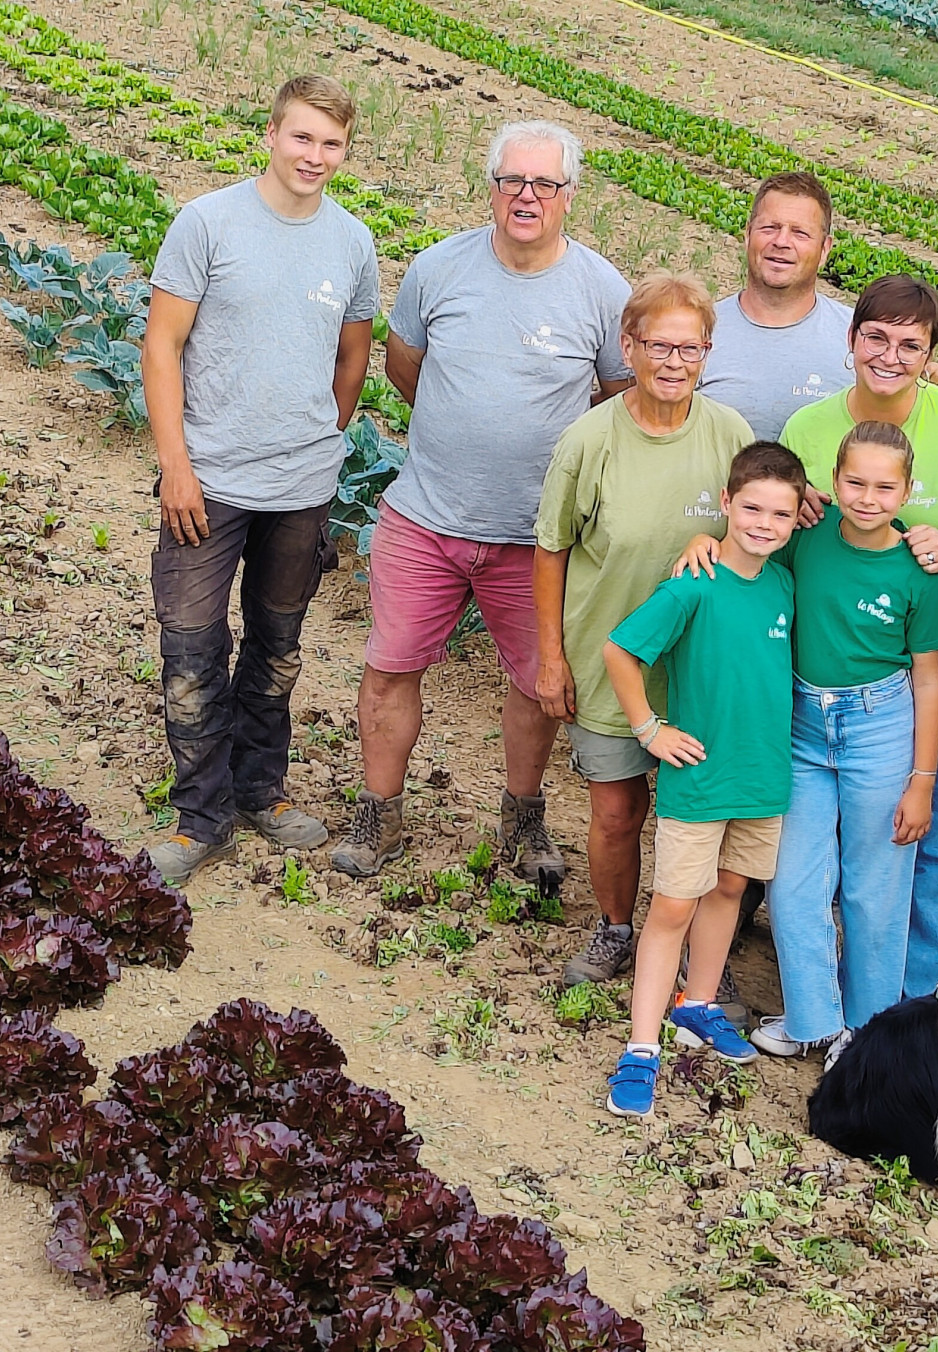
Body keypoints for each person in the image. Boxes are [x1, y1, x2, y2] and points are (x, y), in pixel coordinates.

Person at [333, 121, 632, 888]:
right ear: (491, 187)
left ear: (571, 195)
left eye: (545, 185)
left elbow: (613, 400)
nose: (526, 197)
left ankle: (523, 816)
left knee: (538, 683)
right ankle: (380, 812)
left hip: (538, 538)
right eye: (512, 181)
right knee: (390, 666)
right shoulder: (439, 268)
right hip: (426, 515)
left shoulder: (602, 291)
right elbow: (406, 370)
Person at [142, 74, 378, 883]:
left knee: (277, 644)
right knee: (191, 647)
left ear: (345, 151)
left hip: (301, 488)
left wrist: (322, 437)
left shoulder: (351, 241)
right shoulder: (208, 222)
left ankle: (259, 790)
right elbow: (161, 346)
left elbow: (354, 355)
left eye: (332, 143)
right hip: (206, 482)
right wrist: (178, 466)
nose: (315, 155)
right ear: (271, 134)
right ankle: (199, 816)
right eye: (303, 137)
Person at [780, 275, 938, 1003]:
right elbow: (777, 526)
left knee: (931, 832)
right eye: (876, 336)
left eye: (910, 343)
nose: (890, 354)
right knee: (823, 840)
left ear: (931, 353)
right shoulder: (808, 430)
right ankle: (825, 1001)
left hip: (937, 655)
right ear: (850, 340)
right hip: (831, 661)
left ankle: (914, 1007)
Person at [533, 271, 754, 989]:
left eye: (688, 348)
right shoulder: (589, 440)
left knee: (699, 816)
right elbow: (551, 548)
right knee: (618, 810)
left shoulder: (729, 433)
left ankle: (688, 940)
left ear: (707, 353)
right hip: (608, 659)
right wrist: (551, 660)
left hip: (701, 672)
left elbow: (758, 535)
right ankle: (616, 927)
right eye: (657, 345)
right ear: (628, 348)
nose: (672, 362)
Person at [739, 422, 938, 1062]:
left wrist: (922, 782)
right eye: (855, 482)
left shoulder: (918, 573)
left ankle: (867, 1032)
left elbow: (929, 681)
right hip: (804, 726)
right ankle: (813, 1018)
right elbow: (746, 559)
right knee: (795, 882)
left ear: (907, 490)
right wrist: (704, 537)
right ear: (832, 483)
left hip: (880, 727)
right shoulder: (805, 543)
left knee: (876, 888)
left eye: (885, 486)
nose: (868, 497)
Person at [599, 443, 806, 1118]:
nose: (765, 523)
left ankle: (698, 1004)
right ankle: (640, 1048)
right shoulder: (695, 581)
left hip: (762, 777)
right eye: (751, 508)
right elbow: (621, 651)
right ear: (726, 503)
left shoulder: (782, 583)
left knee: (730, 888)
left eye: (781, 513)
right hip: (700, 778)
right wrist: (650, 728)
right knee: (672, 908)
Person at [698, 172, 851, 441]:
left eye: (800, 233)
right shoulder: (699, 331)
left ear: (825, 249)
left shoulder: (858, 338)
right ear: (747, 235)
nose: (781, 242)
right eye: (769, 228)